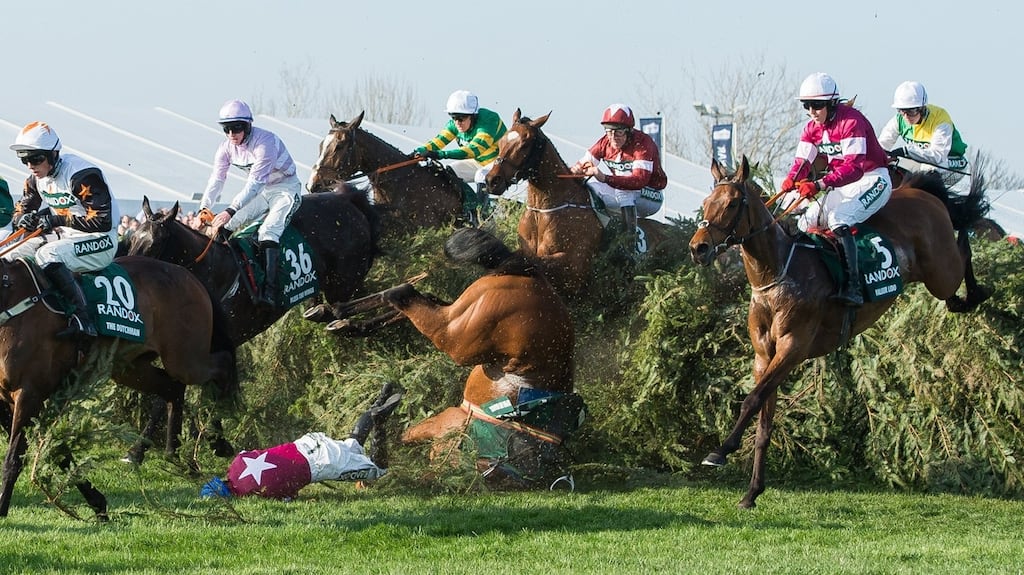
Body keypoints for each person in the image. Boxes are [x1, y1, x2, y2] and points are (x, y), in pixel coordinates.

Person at [779, 73, 893, 307]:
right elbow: (802, 162)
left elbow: (854, 168)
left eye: (817, 105)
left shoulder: (851, 121)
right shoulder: (811, 128)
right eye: (807, 105)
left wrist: (819, 184)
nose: (812, 111)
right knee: (806, 222)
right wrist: (791, 179)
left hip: (872, 179)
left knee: (838, 218)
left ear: (832, 104)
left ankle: (854, 287)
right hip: (844, 184)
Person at [6, 121, 121, 338]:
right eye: (24, 159)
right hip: (65, 236)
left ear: (54, 154)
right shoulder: (36, 178)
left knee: (47, 255)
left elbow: (102, 221)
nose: (30, 165)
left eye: (36, 158)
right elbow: (20, 210)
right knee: (12, 254)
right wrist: (24, 218)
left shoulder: (83, 175)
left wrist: (55, 219)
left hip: (101, 239)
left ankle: (83, 318)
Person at [201, 383, 403, 500]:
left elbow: (290, 496)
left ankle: (379, 422)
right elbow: (254, 453)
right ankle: (379, 400)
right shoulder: (236, 462)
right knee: (354, 442)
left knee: (378, 470)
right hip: (307, 442)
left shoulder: (254, 495)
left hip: (321, 463)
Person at [197, 99, 303, 306]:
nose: (231, 134)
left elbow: (254, 183)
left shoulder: (266, 142)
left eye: (236, 128)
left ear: (247, 125)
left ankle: (271, 291)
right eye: (226, 129)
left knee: (268, 232)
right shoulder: (225, 148)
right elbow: (217, 179)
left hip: (286, 189)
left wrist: (230, 209)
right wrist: (204, 207)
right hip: (263, 192)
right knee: (224, 228)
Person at [569, 103, 666, 252]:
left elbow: (639, 181)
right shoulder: (604, 142)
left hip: (651, 195)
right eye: (609, 131)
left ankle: (629, 245)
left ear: (629, 131)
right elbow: (581, 164)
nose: (613, 138)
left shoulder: (643, 144)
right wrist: (575, 171)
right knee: (592, 188)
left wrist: (605, 178)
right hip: (626, 192)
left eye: (619, 132)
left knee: (623, 191)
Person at [413, 90, 506, 220]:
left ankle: (481, 215)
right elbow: (438, 141)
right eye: (453, 117)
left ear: (472, 116)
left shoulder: (489, 120)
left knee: (481, 175)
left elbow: (473, 150)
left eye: (461, 118)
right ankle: (467, 207)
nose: (457, 123)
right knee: (449, 171)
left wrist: (441, 154)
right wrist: (418, 151)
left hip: (502, 164)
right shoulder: (455, 125)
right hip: (480, 163)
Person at [877, 81, 969, 188]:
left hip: (953, 163)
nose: (906, 117)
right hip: (924, 161)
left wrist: (907, 151)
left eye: (911, 111)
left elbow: (937, 156)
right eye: (902, 111)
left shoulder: (940, 119)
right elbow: (881, 147)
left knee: (928, 170)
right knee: (893, 166)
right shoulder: (899, 120)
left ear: (922, 108)